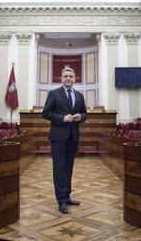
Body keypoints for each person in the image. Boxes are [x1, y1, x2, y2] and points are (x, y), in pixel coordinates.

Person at [43, 66, 87, 214]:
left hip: (73, 137)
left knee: (69, 167)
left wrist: (80, 117)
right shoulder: (53, 93)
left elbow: (84, 113)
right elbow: (46, 113)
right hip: (58, 138)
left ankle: (67, 196)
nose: (68, 78)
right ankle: (61, 200)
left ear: (75, 79)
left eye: (71, 76)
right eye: (66, 76)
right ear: (61, 78)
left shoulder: (80, 96)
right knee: (59, 168)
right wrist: (62, 118)